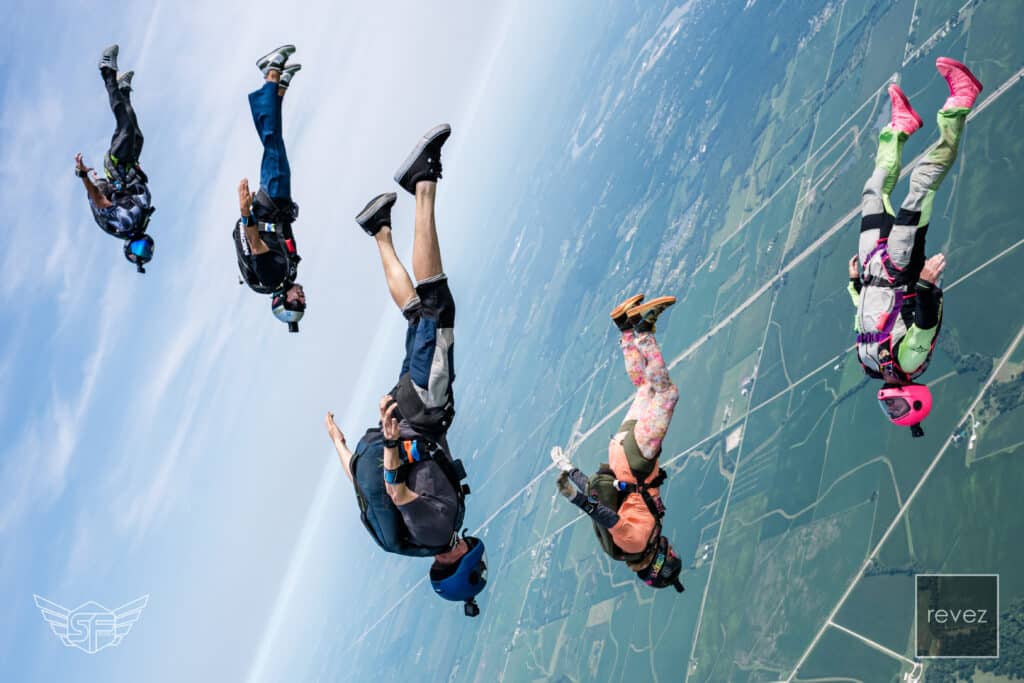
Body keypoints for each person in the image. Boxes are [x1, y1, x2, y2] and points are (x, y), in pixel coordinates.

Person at [325, 124, 488, 617]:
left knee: (436, 306)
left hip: (422, 408)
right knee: (419, 312)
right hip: (406, 412)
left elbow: (395, 490)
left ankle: (422, 182)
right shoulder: (421, 540)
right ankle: (378, 227)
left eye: (473, 566)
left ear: (455, 563)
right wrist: (338, 440)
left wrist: (394, 439)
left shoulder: (437, 531)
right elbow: (359, 474)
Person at [849, 57, 983, 436]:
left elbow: (863, 319)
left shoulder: (872, 365)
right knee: (921, 186)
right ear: (915, 395)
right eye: (899, 405)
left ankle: (900, 126)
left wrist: (855, 284)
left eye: (889, 408)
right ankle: (960, 102)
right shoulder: (907, 362)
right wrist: (924, 283)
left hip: (874, 271)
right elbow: (925, 323)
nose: (891, 400)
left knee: (873, 194)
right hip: (899, 268)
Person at [552, 294, 685, 593]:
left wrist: (575, 496)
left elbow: (603, 513)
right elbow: (602, 500)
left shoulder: (636, 542)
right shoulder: (635, 545)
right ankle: (625, 327)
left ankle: (642, 333)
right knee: (645, 389)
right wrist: (570, 468)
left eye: (671, 556)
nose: (671, 549)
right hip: (622, 457)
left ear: (660, 563)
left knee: (666, 394)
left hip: (637, 459)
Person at [233, 45, 306, 332]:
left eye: (295, 304)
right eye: (302, 304)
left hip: (268, 205)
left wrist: (244, 211)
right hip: (277, 207)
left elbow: (255, 242)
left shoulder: (272, 276)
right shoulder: (286, 275)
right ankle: (278, 89)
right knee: (275, 143)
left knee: (272, 142)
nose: (301, 299)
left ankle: (270, 74)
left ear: (280, 302)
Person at [75, 45, 155, 273]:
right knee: (137, 135)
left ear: (129, 247)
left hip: (115, 169)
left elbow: (100, 200)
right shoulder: (141, 221)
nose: (145, 246)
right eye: (148, 249)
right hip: (128, 170)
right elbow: (137, 192)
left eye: (140, 250)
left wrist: (83, 176)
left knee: (126, 128)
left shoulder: (124, 224)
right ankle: (124, 89)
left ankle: (107, 71)